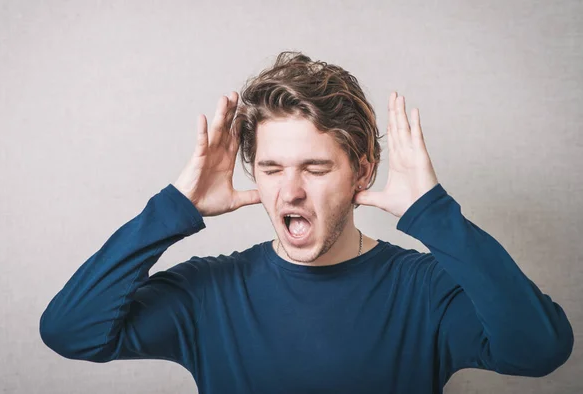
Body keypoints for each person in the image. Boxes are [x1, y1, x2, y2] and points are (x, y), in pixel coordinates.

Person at [39, 51, 573, 394]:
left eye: (315, 168)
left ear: (361, 172)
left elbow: (539, 351)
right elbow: (70, 331)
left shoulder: (426, 290)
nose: (289, 190)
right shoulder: (210, 292)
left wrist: (434, 216)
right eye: (271, 168)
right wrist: (172, 208)